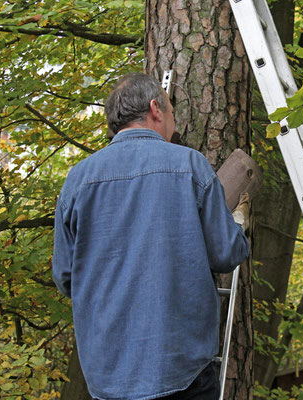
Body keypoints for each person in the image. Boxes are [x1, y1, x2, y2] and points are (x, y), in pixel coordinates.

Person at [52, 73, 250, 400]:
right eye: (171, 112)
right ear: (155, 109)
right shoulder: (190, 166)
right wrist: (239, 223)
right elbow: (226, 254)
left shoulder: (78, 179)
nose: (173, 122)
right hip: (183, 369)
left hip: (108, 373)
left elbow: (65, 276)